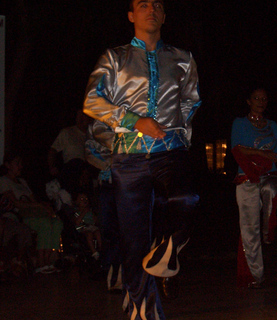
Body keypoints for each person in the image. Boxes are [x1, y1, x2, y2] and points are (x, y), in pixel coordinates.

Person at [83, 0, 201, 318]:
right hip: (128, 157)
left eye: (158, 5)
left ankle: (169, 246)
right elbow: (93, 101)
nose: (151, 9)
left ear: (164, 15)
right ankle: (143, 306)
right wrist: (134, 120)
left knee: (187, 198)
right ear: (131, 15)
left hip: (169, 149)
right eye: (143, 4)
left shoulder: (182, 58)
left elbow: (191, 100)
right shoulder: (115, 57)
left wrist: (179, 134)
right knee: (133, 242)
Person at [231, 85, 277, 288]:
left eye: (264, 99)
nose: (260, 102)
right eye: (256, 98)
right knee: (248, 229)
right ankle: (255, 275)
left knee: (272, 188)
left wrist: (264, 159)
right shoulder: (240, 123)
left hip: (268, 175)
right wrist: (261, 154)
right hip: (246, 177)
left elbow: (276, 154)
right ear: (249, 101)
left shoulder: (272, 125)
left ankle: (267, 230)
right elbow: (238, 149)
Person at [0, 152, 63, 274]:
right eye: (17, 164)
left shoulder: (22, 182)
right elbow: (16, 203)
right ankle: (41, 262)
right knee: (44, 223)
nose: (20, 166)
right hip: (22, 214)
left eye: (21, 164)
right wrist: (38, 205)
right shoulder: (3, 181)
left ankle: (50, 259)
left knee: (56, 223)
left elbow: (34, 200)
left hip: (34, 213)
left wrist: (44, 206)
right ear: (8, 165)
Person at [85, 121, 122, 292]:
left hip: (130, 182)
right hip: (108, 182)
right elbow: (90, 151)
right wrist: (111, 163)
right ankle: (110, 269)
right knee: (108, 229)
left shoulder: (133, 112)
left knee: (127, 228)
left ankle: (125, 274)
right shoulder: (97, 122)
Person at [48, 108, 92, 195]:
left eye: (83, 116)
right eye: (79, 116)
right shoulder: (67, 132)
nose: (81, 118)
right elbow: (53, 150)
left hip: (87, 172)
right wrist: (52, 166)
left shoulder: (91, 137)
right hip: (71, 169)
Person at [72, 191, 102, 261]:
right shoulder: (77, 213)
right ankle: (94, 252)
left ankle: (101, 249)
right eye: (82, 199)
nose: (85, 201)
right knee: (89, 234)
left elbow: (95, 221)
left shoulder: (90, 211)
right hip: (83, 229)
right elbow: (77, 222)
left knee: (98, 232)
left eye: (86, 199)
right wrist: (83, 212)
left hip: (92, 227)